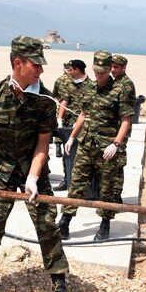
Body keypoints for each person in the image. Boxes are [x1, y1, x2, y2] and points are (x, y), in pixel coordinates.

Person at [0, 35, 82, 292]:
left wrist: (34, 177)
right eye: (36, 64)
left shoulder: (44, 101)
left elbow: (42, 142)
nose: (41, 70)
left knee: (47, 224)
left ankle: (60, 288)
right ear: (18, 63)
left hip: (31, 167)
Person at [57, 50, 133, 241]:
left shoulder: (119, 90)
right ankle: (65, 221)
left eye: (103, 72)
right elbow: (83, 114)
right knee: (76, 183)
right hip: (86, 144)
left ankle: (105, 225)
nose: (99, 75)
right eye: (96, 71)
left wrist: (116, 143)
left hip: (107, 148)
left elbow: (126, 120)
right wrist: (72, 137)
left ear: (109, 70)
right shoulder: (89, 88)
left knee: (106, 188)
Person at [53, 59, 92, 192]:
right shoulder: (69, 84)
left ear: (77, 70)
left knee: (83, 155)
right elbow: (64, 100)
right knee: (67, 153)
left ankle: (82, 185)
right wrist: (59, 118)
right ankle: (67, 180)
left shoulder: (91, 85)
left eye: (71, 69)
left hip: (85, 125)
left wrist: (84, 119)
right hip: (69, 124)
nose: (69, 72)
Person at [110, 54, 137, 202]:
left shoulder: (125, 85)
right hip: (115, 128)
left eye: (116, 67)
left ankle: (116, 195)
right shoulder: (117, 82)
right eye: (111, 67)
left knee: (118, 162)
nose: (113, 70)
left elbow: (125, 114)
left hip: (122, 129)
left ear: (124, 68)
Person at [51, 62, 73, 159]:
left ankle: (58, 145)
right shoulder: (75, 80)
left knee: (60, 130)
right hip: (72, 111)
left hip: (61, 110)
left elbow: (54, 95)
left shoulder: (59, 80)